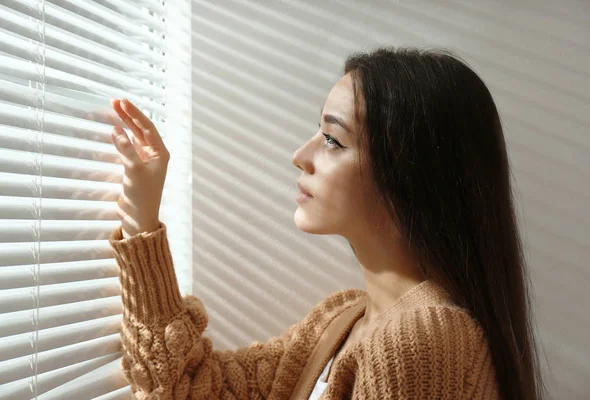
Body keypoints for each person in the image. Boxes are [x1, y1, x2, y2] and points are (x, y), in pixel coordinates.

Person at [108, 46, 545, 399]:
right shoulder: (341, 321)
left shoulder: (421, 341)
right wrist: (141, 222)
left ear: (410, 179)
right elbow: (186, 389)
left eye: (333, 140)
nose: (300, 156)